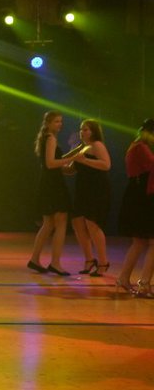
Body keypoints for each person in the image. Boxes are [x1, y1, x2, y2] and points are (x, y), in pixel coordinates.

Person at [27, 110, 73, 276]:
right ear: (48, 123)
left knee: (48, 224)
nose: (60, 124)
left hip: (48, 183)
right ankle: (55, 263)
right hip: (53, 185)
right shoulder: (51, 138)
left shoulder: (46, 138)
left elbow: (53, 165)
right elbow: (51, 163)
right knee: (60, 222)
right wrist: (72, 158)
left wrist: (68, 165)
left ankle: (35, 259)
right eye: (56, 121)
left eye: (61, 121)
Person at [65, 119, 112, 277]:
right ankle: (89, 259)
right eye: (81, 129)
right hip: (82, 190)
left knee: (92, 224)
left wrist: (85, 160)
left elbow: (106, 165)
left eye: (86, 129)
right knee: (77, 223)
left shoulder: (97, 145)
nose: (82, 132)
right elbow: (70, 169)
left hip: (96, 189)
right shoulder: (82, 147)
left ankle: (103, 263)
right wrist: (53, 164)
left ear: (93, 131)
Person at [116, 118, 154, 297]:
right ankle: (144, 284)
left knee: (139, 242)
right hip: (143, 197)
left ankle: (124, 278)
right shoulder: (141, 148)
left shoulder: (136, 145)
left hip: (137, 195)